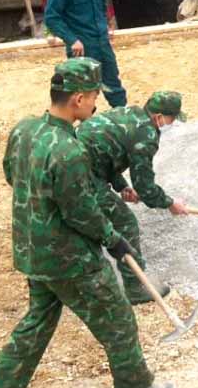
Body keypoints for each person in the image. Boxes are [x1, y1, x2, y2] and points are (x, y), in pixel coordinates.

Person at [0, 59, 172, 388]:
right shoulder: (69, 150)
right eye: (93, 97)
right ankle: (135, 387)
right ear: (77, 99)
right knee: (118, 317)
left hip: (32, 252)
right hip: (68, 259)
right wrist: (113, 239)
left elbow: (13, 175)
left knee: (35, 326)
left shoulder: (25, 131)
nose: (96, 104)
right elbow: (81, 212)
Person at [77, 91, 191, 305]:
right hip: (81, 174)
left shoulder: (129, 112)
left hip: (76, 160)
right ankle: (134, 287)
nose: (173, 123)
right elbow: (145, 187)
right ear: (158, 117)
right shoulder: (146, 136)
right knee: (125, 223)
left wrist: (121, 186)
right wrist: (170, 203)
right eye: (172, 118)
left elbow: (103, 151)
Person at [45, 0, 126, 107]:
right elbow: (52, 17)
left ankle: (122, 116)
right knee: (82, 92)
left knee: (113, 83)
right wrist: (71, 39)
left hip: (102, 41)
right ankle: (84, 127)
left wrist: (106, 25)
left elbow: (101, 3)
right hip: (81, 46)